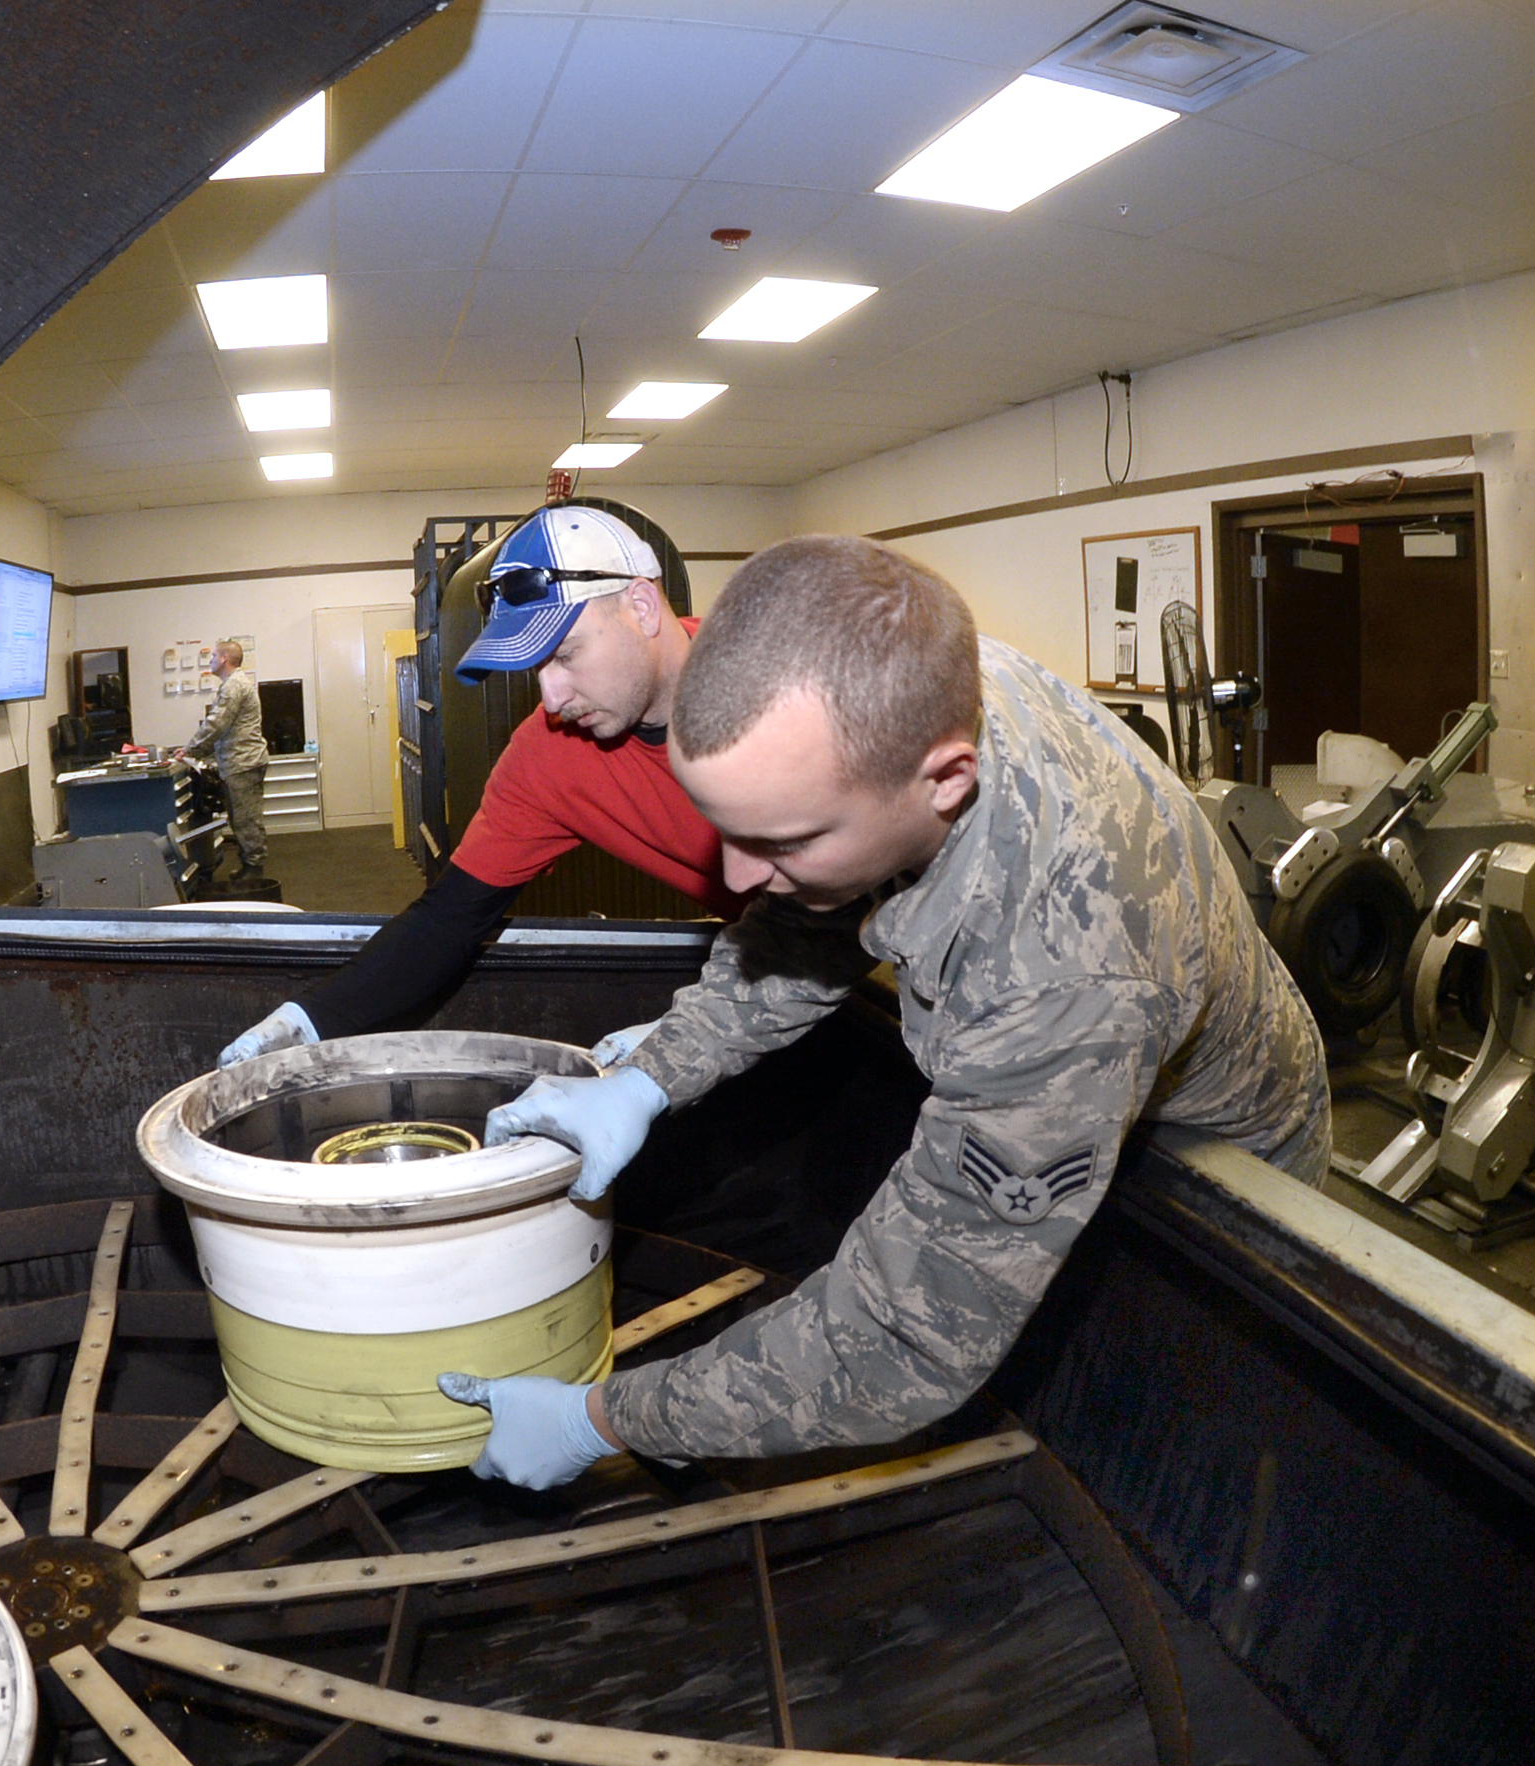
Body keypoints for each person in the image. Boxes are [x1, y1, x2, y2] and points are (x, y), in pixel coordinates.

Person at [437, 535, 1330, 1489]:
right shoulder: (895, 677)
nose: (736, 877)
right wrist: (650, 1077)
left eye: (782, 841)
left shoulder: (1058, 971)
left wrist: (604, 1419)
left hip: (1215, 1162)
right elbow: (807, 920)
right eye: (727, 831)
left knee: (1165, 1420)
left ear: (945, 781)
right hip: (1081, 1067)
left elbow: (904, 1335)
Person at [220, 505, 729, 1067]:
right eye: (535, 666)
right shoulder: (549, 754)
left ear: (642, 606)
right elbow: (449, 920)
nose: (552, 698)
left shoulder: (782, 686)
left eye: (565, 654)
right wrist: (309, 1019)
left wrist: (707, 1029)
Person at [185, 639, 268, 881]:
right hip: (238, 762)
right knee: (240, 818)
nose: (210, 660)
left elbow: (217, 723)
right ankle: (249, 865)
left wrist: (191, 750)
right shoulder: (234, 684)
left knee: (245, 819)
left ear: (224, 659)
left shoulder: (234, 686)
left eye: (213, 656)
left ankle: (254, 870)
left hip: (243, 763)